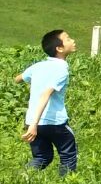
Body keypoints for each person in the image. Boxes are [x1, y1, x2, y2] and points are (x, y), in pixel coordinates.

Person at [18, 29, 77, 175]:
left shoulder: (38, 66)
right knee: (68, 155)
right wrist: (34, 126)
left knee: (42, 157)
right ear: (59, 48)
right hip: (54, 122)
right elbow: (46, 95)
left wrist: (34, 82)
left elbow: (18, 78)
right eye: (68, 39)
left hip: (32, 120)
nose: (73, 41)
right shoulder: (61, 69)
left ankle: (20, 180)